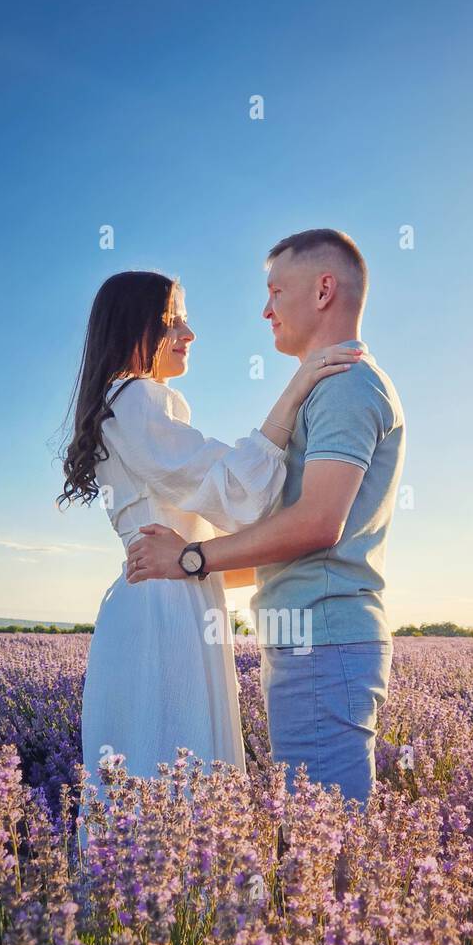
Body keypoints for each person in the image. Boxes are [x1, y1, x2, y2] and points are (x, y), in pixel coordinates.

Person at [57, 269, 361, 832]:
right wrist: (294, 393)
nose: (189, 332)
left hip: (155, 602)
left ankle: (136, 912)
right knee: (177, 766)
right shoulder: (137, 397)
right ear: (133, 327)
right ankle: (180, 912)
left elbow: (217, 511)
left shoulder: (125, 404)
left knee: (144, 778)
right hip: (166, 611)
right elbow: (236, 492)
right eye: (172, 320)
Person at [126, 230, 406, 821]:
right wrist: (185, 575)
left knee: (324, 844)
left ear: (324, 289)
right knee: (316, 837)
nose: (266, 309)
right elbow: (289, 547)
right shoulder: (327, 385)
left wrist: (193, 558)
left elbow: (318, 525)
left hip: (325, 637)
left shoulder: (346, 385)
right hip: (311, 636)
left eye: (276, 290)